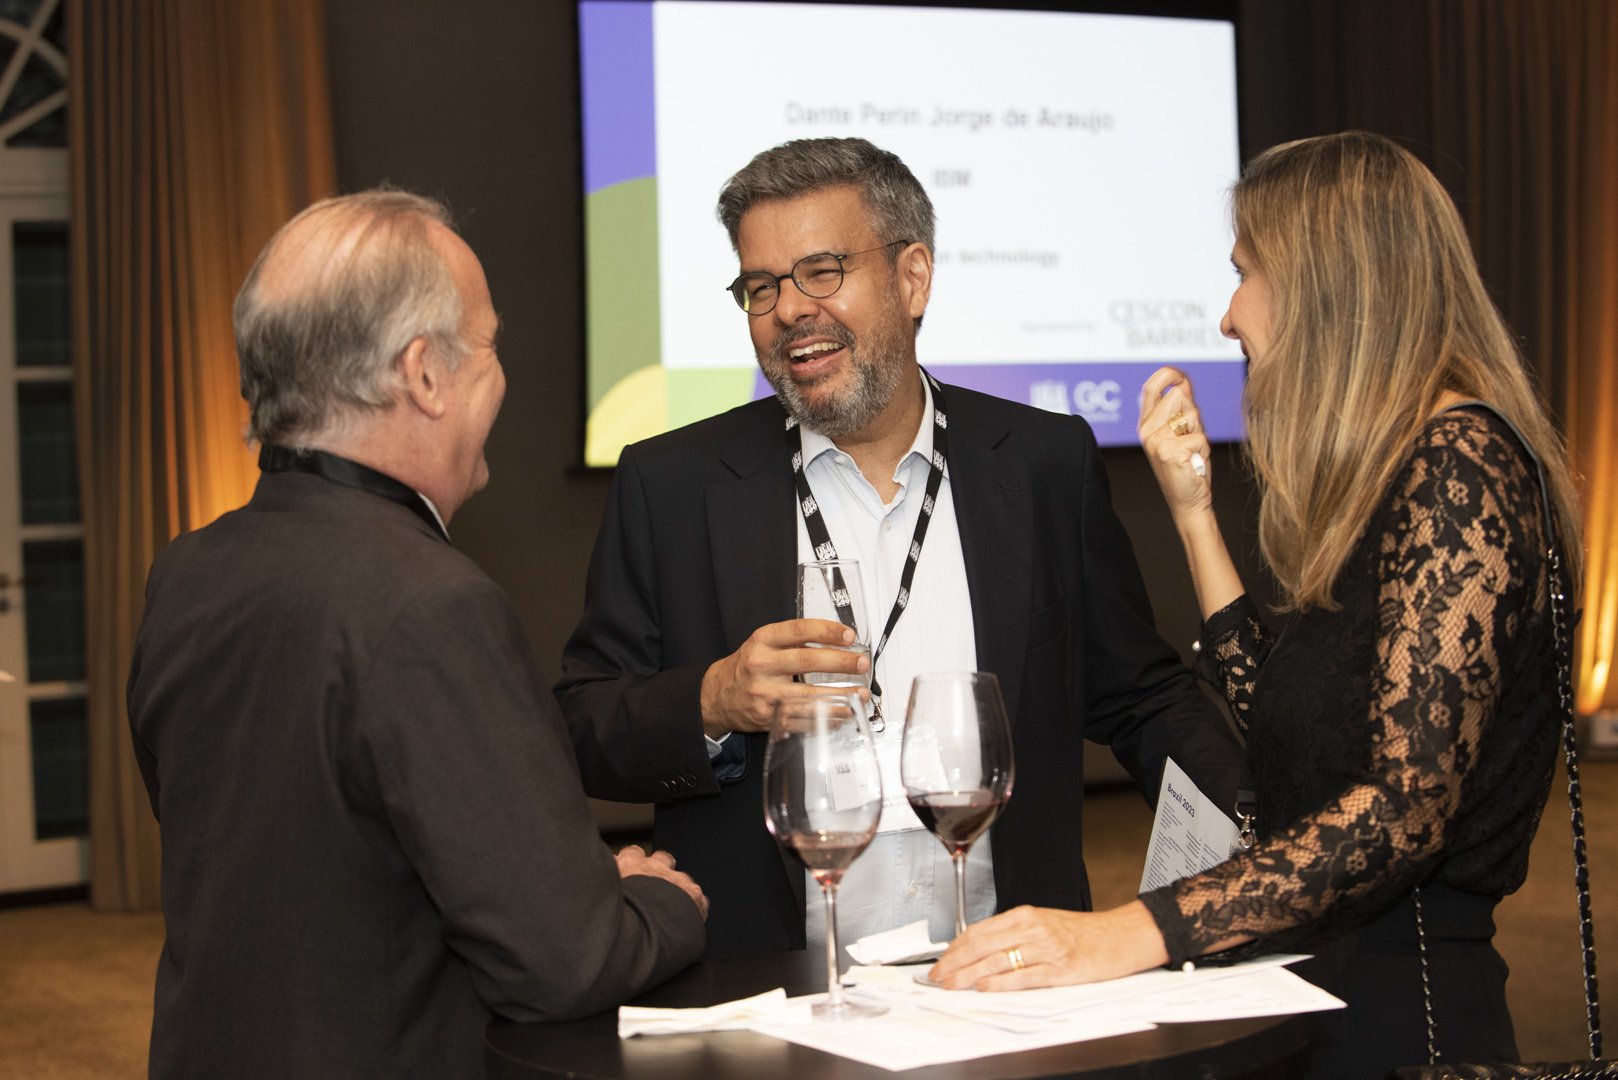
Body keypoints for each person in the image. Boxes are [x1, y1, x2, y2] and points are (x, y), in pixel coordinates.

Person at [928, 131, 1583, 1077]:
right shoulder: (1406, 471)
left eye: (1244, 273)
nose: (1228, 316)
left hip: (1406, 1014)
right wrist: (1193, 512)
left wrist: (1132, 931)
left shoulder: (1459, 465)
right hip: (1322, 989)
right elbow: (1292, 736)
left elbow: (1405, 809)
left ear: (1325, 283)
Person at [558, 137, 1243, 957]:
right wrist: (712, 700)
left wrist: (1269, 824)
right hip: (774, 986)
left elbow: (1140, 696)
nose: (789, 311)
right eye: (761, 287)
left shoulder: (1042, 464)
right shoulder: (672, 485)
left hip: (1006, 973)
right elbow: (585, 725)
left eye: (821, 272)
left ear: (913, 278)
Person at [126, 190, 707, 1080]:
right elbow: (566, 962)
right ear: (425, 374)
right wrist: (657, 902)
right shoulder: (429, 604)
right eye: (490, 345)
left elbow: (303, 862)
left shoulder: (188, 570)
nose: (501, 377)